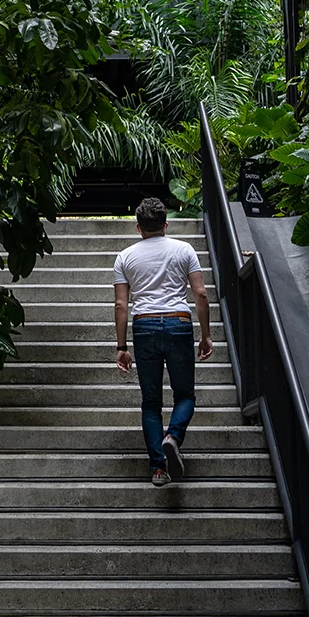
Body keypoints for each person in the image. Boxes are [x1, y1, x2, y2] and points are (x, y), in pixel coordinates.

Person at [113, 196, 213, 486]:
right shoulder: (184, 250)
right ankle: (173, 436)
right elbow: (201, 294)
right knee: (185, 396)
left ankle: (158, 469)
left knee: (151, 403)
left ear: (138, 227)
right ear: (165, 224)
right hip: (179, 322)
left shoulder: (125, 257)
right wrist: (205, 335)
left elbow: (121, 305)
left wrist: (122, 348)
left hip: (144, 326)